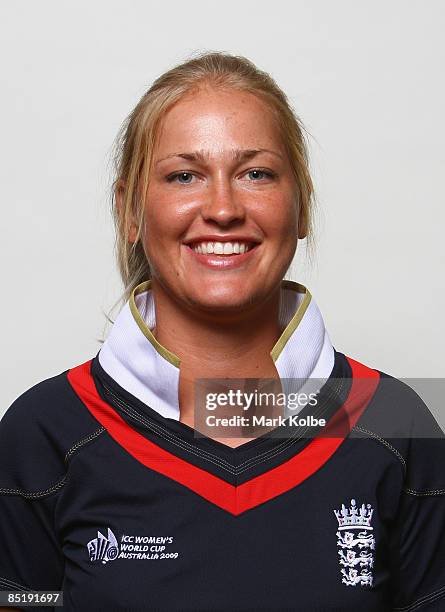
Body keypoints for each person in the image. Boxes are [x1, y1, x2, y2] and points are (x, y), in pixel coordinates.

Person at [1, 51, 445, 612]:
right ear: (130, 211)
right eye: (183, 175)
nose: (223, 208)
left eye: (256, 173)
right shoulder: (42, 433)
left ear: (301, 204)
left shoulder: (394, 423)